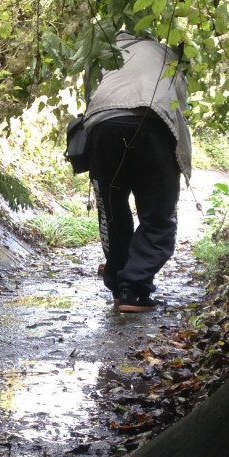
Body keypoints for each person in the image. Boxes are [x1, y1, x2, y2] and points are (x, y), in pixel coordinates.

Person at [84, 30, 192, 313]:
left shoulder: (101, 52)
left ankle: (119, 287)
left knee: (112, 210)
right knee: (158, 214)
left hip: (103, 126)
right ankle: (134, 290)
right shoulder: (165, 52)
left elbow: (89, 98)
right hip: (153, 125)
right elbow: (180, 104)